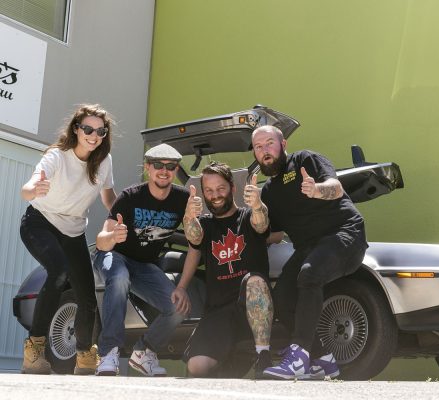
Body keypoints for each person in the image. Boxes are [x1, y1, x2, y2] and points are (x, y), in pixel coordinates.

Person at [251, 125, 368, 380]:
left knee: (309, 274)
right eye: (258, 147)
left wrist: (316, 190)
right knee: (282, 298)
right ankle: (323, 360)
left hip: (345, 235)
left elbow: (336, 187)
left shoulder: (305, 160)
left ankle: (298, 357)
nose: (264, 150)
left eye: (269, 143)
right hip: (308, 246)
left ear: (283, 145)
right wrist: (256, 209)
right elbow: (272, 234)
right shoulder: (268, 190)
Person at [19, 104, 117, 375]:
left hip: (73, 231)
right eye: (88, 129)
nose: (94, 136)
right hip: (40, 223)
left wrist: (123, 215)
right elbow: (28, 188)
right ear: (76, 129)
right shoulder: (57, 156)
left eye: (100, 131)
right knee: (59, 271)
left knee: (87, 296)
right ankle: (34, 350)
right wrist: (33, 189)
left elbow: (109, 197)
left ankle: (85, 356)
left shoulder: (104, 161)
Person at [93, 143, 194, 377]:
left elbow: (195, 242)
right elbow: (100, 241)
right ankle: (108, 352)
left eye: (171, 166)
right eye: (158, 165)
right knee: (120, 277)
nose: (164, 170)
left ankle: (144, 352)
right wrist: (113, 236)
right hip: (114, 256)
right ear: (148, 167)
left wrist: (192, 217)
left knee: (178, 307)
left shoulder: (183, 199)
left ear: (176, 170)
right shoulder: (130, 197)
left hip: (144, 265)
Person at [180, 161, 274, 379]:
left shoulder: (248, 217)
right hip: (218, 312)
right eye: (209, 191)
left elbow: (261, 224)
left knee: (255, 281)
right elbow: (194, 237)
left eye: (221, 188)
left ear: (232, 188)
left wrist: (257, 205)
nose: (215, 195)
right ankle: (230, 367)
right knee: (196, 367)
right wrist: (188, 216)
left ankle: (263, 355)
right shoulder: (205, 225)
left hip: (249, 309)